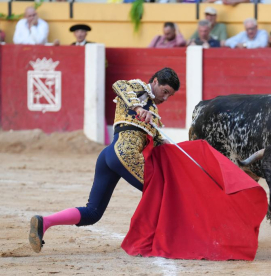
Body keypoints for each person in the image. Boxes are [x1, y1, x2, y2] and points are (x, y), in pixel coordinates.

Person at [28, 68, 180, 253]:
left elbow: (156, 144)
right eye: (165, 92)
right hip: (124, 154)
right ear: (155, 81)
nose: (165, 98)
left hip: (109, 156)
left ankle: (45, 223)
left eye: (169, 96)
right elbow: (119, 85)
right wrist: (138, 107)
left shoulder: (153, 113)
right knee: (162, 192)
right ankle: (159, 240)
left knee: (93, 213)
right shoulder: (139, 88)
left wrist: (163, 141)